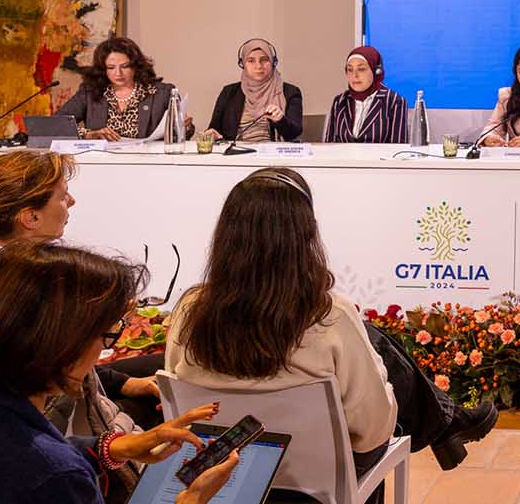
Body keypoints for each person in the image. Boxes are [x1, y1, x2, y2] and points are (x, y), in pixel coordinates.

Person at [165, 167, 496, 500]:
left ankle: (446, 423)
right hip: (316, 483)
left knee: (370, 339)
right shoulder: (329, 316)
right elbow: (373, 429)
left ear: (226, 235)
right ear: (305, 237)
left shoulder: (189, 310)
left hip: (214, 474)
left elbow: (180, 409)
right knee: (372, 351)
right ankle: (444, 424)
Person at [0, 241, 238, 504]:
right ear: (65, 342)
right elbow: (51, 469)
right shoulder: (58, 479)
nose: (103, 351)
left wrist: (116, 447)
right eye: (106, 336)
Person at [0, 150, 164, 466]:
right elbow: (50, 371)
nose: (71, 201)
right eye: (62, 195)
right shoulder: (27, 289)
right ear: (30, 217)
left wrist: (124, 381)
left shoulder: (19, 276)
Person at [58, 37, 187, 141]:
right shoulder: (90, 92)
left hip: (147, 161)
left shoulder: (162, 93)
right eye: (111, 67)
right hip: (101, 161)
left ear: (136, 66)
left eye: (124, 66)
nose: (118, 73)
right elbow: (57, 124)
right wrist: (88, 134)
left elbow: (179, 136)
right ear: (103, 69)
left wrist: (184, 127)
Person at [203, 39, 303, 144]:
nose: (258, 66)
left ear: (273, 62)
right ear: (242, 64)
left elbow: (294, 133)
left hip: (272, 153)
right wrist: (213, 134)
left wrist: (280, 120)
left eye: (264, 60)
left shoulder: (290, 92)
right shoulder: (229, 92)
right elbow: (214, 129)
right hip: (236, 152)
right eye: (251, 61)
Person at [322, 46, 410, 143]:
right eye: (350, 70)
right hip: (342, 154)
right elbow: (329, 145)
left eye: (361, 69)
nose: (355, 75)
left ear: (376, 71)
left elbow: (398, 147)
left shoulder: (394, 101)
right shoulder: (340, 101)